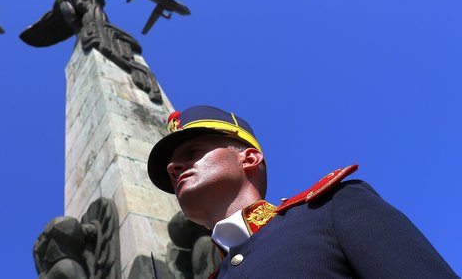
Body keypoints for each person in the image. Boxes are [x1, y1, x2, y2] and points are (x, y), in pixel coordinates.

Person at [147, 105, 458, 278]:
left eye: (192, 151)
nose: (174, 166)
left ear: (250, 158)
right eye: (171, 165)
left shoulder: (331, 209)